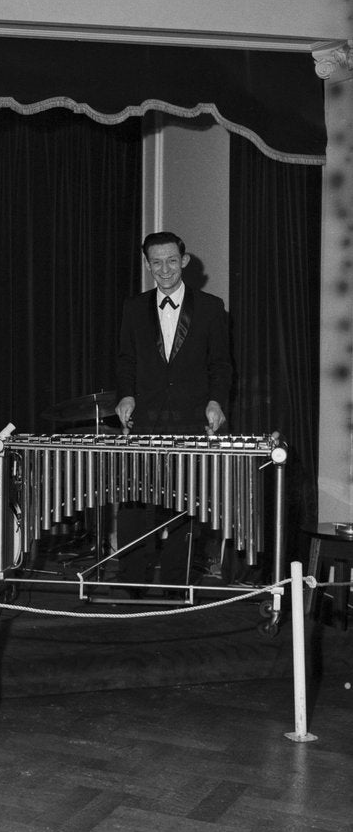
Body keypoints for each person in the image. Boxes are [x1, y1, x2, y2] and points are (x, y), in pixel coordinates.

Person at [115, 231, 233, 589]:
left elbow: (221, 364)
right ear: (147, 264)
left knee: (184, 507)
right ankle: (131, 584)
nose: (164, 269)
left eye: (171, 260)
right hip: (145, 420)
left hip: (190, 419)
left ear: (184, 261)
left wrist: (216, 401)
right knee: (135, 505)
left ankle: (174, 586)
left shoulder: (211, 307)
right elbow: (126, 360)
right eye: (156, 262)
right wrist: (126, 395)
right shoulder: (133, 307)